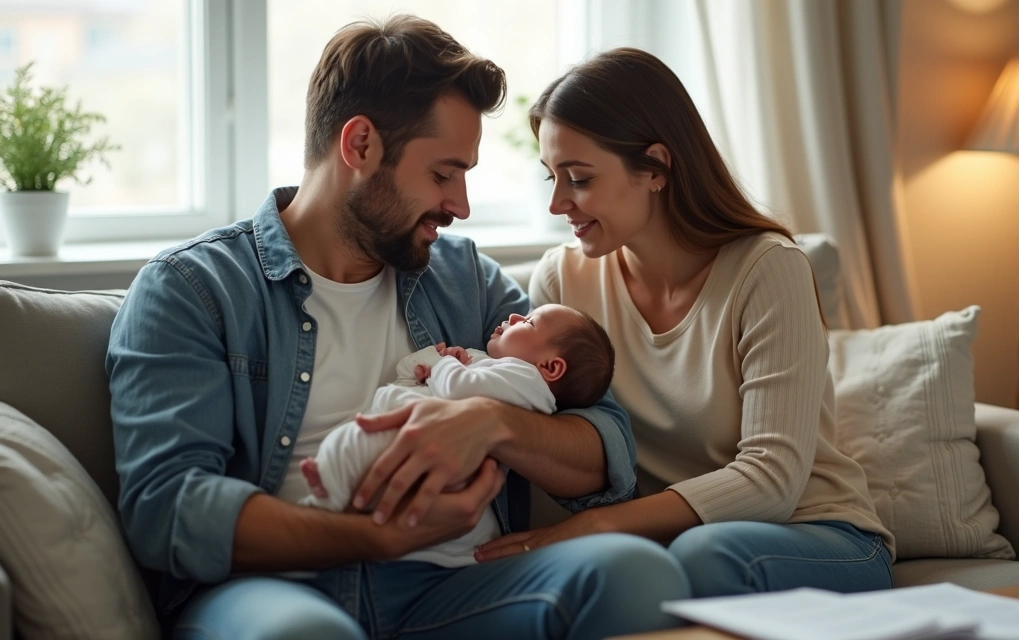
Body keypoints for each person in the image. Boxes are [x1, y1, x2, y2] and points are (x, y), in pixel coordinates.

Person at [107, 18, 687, 640]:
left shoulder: (466, 279)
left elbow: (606, 445)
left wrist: (492, 422)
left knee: (635, 573)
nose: (461, 204)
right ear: (359, 145)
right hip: (278, 590)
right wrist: (374, 537)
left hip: (454, 584)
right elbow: (167, 510)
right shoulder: (194, 289)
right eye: (443, 174)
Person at [474, 47, 896, 597]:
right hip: (663, 545)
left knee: (699, 554)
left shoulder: (768, 269)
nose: (558, 204)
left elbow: (772, 480)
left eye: (577, 178)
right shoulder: (560, 283)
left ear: (654, 167)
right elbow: (567, 446)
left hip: (816, 535)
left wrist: (596, 528)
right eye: (551, 176)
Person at [299, 304, 615, 534]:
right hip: (405, 432)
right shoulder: (496, 367)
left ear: (550, 368)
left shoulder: (525, 381)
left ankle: (323, 505)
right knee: (349, 446)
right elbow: (415, 374)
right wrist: (426, 366)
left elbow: (459, 388)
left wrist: (444, 365)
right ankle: (330, 489)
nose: (515, 316)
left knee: (352, 446)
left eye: (529, 322)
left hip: (416, 441)